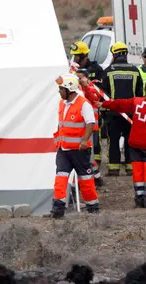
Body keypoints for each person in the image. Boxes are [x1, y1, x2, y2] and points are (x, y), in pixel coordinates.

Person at [100, 81, 146, 207]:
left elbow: (120, 104)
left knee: (138, 171)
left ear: (145, 90)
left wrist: (104, 103)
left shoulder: (136, 102)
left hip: (135, 142)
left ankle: (139, 198)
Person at [45, 74, 99, 218]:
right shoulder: (62, 103)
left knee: (85, 179)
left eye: (61, 89)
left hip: (79, 151)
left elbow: (90, 123)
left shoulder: (84, 104)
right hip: (63, 149)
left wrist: (84, 141)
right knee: (60, 178)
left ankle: (93, 208)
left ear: (69, 89)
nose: (59, 91)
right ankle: (57, 210)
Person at [100, 42, 143, 177]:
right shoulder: (135, 71)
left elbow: (103, 95)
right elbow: (140, 93)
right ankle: (131, 168)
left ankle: (114, 168)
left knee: (113, 141)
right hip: (131, 113)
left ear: (115, 54)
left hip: (114, 113)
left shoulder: (108, 71)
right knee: (131, 140)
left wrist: (104, 111)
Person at [76, 69, 104, 187]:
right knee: (84, 155)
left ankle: (96, 178)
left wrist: (86, 86)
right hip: (79, 127)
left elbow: (93, 98)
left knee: (89, 154)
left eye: (81, 77)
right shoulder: (76, 90)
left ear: (87, 78)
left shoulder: (92, 88)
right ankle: (95, 177)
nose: (79, 80)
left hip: (91, 127)